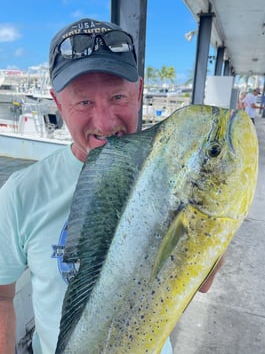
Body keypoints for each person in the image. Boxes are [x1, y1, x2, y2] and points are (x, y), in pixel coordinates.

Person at [0, 18, 222, 354]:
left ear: (139, 93)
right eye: (83, 102)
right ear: (57, 104)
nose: (104, 122)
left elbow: (202, 282)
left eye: (117, 96)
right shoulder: (21, 192)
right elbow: (3, 294)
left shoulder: (176, 176)